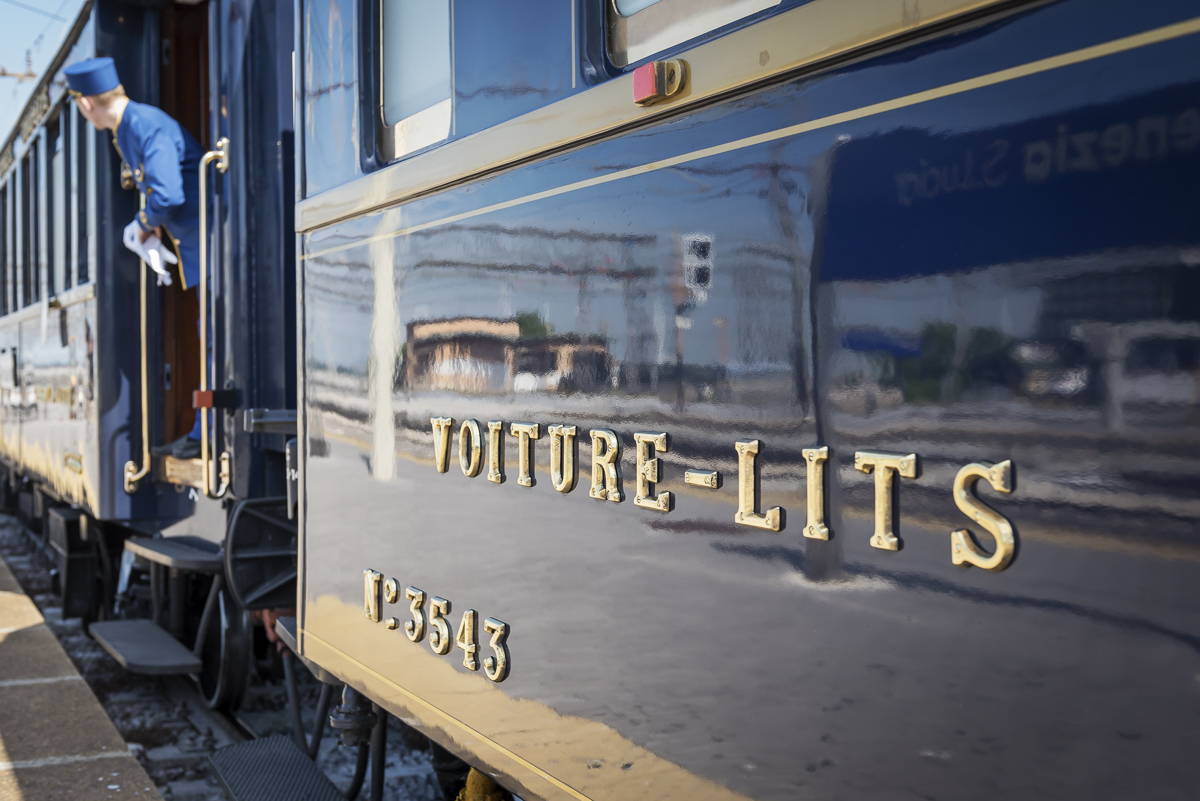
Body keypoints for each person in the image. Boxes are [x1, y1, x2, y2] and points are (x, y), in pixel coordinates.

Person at [65, 57, 206, 460]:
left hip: (209, 240)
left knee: (211, 337)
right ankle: (202, 430)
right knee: (207, 335)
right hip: (194, 242)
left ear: (86, 103)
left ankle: (205, 432)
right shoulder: (127, 129)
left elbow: (168, 194)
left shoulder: (143, 124)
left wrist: (144, 223)